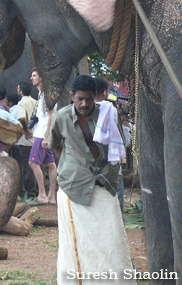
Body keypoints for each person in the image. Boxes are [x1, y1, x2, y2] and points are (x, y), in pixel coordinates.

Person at [47, 75, 135, 284]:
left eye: (89, 99)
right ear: (72, 96)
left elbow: (120, 144)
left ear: (95, 97)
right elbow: (55, 144)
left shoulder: (108, 115)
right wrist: (72, 165)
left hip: (104, 183)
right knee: (78, 244)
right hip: (73, 187)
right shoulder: (61, 117)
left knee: (113, 238)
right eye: (80, 99)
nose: (85, 104)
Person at [94, 77, 128, 218]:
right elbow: (124, 141)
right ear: (105, 93)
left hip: (88, 172)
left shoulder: (78, 111)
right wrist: (123, 117)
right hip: (112, 170)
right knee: (115, 213)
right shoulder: (110, 111)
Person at [31, 70, 58, 204]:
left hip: (42, 134)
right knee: (51, 164)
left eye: (35, 75)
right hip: (41, 133)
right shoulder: (41, 94)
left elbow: (51, 115)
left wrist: (47, 136)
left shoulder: (47, 94)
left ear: (41, 78)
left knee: (33, 162)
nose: (32, 78)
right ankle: (52, 196)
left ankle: (42, 195)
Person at [13, 81, 38, 199]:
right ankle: (37, 191)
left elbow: (22, 117)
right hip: (36, 138)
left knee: (26, 167)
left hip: (25, 140)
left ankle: (30, 193)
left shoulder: (22, 103)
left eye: (18, 89)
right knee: (36, 165)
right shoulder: (35, 102)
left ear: (21, 91)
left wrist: (26, 128)